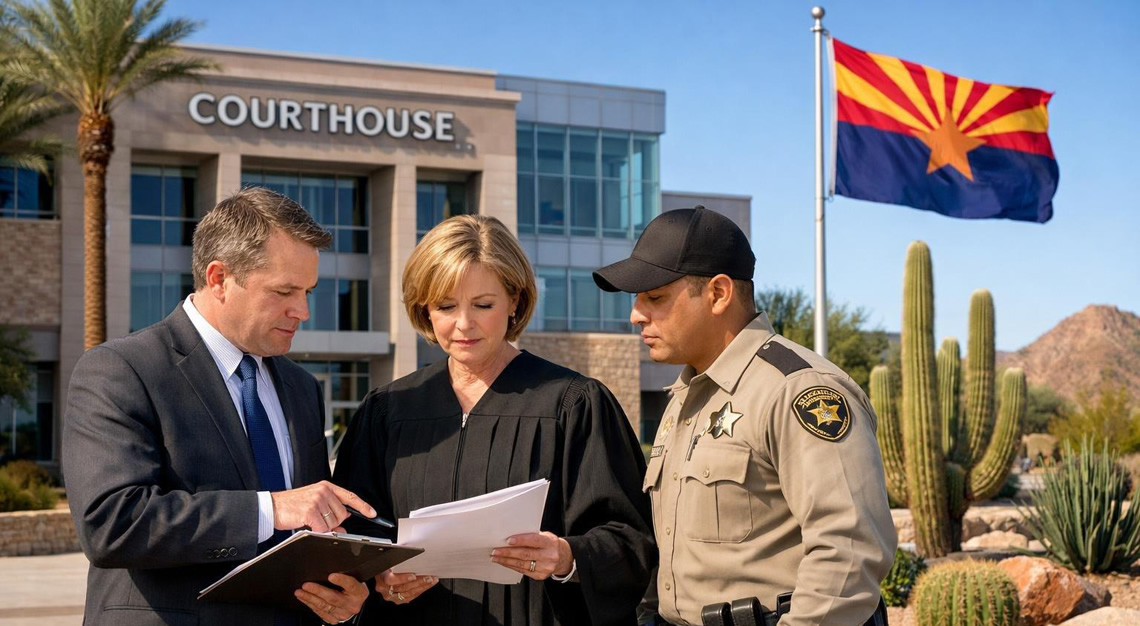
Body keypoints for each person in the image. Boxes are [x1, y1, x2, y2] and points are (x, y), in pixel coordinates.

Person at [64, 187, 376, 626]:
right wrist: (270, 509)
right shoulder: (121, 370)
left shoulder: (302, 388)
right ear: (218, 279)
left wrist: (339, 597)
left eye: (308, 291)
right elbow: (113, 524)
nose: (303, 311)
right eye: (285, 291)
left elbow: (309, 533)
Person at [332, 214, 656, 625]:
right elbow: (352, 536)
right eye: (446, 306)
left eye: (483, 305)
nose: (463, 324)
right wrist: (382, 575)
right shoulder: (387, 410)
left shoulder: (573, 404)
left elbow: (631, 541)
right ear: (424, 310)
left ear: (515, 301)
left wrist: (566, 557)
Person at [594, 206, 895, 626]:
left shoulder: (798, 391)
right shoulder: (685, 398)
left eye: (655, 297)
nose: (636, 315)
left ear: (718, 293)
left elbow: (848, 551)